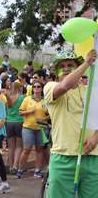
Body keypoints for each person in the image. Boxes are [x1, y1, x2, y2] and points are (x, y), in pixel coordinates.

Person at [44, 49, 98, 198]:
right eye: (63, 66)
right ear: (57, 71)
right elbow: (65, 86)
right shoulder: (50, 87)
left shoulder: (91, 91)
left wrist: (95, 138)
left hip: (92, 157)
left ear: (77, 67)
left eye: (70, 65)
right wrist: (87, 62)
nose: (66, 68)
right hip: (63, 157)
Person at [17, 81, 48, 178]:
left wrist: (44, 119)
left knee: (39, 149)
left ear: (42, 89)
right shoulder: (27, 99)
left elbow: (50, 114)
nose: (36, 88)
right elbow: (20, 113)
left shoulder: (45, 101)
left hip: (41, 128)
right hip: (28, 127)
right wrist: (29, 111)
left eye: (39, 86)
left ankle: (37, 170)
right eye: (34, 87)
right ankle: (20, 169)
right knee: (27, 149)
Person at [4, 81, 24, 174]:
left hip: (9, 122)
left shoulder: (7, 97)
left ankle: (11, 166)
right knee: (19, 146)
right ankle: (16, 165)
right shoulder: (22, 98)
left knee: (11, 147)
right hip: (19, 121)